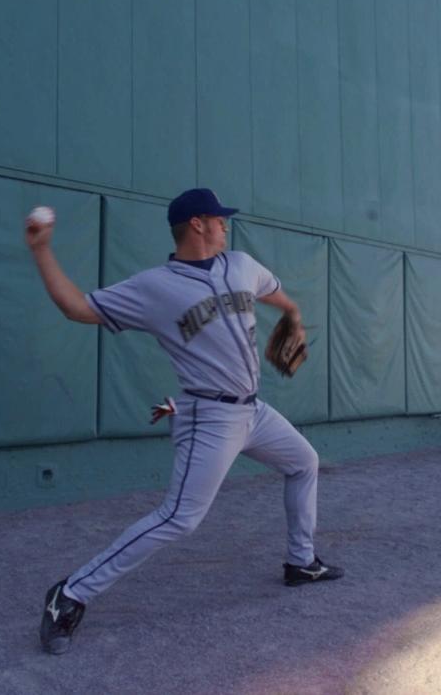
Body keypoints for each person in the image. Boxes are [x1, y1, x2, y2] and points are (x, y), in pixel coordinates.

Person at [26, 188, 343, 655]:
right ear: (197, 224)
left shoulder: (241, 264)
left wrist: (292, 313)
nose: (225, 225)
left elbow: (275, 293)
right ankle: (71, 593)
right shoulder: (154, 287)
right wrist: (41, 249)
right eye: (218, 218)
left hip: (254, 410)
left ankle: (301, 562)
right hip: (208, 416)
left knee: (303, 462)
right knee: (179, 517)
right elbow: (76, 307)